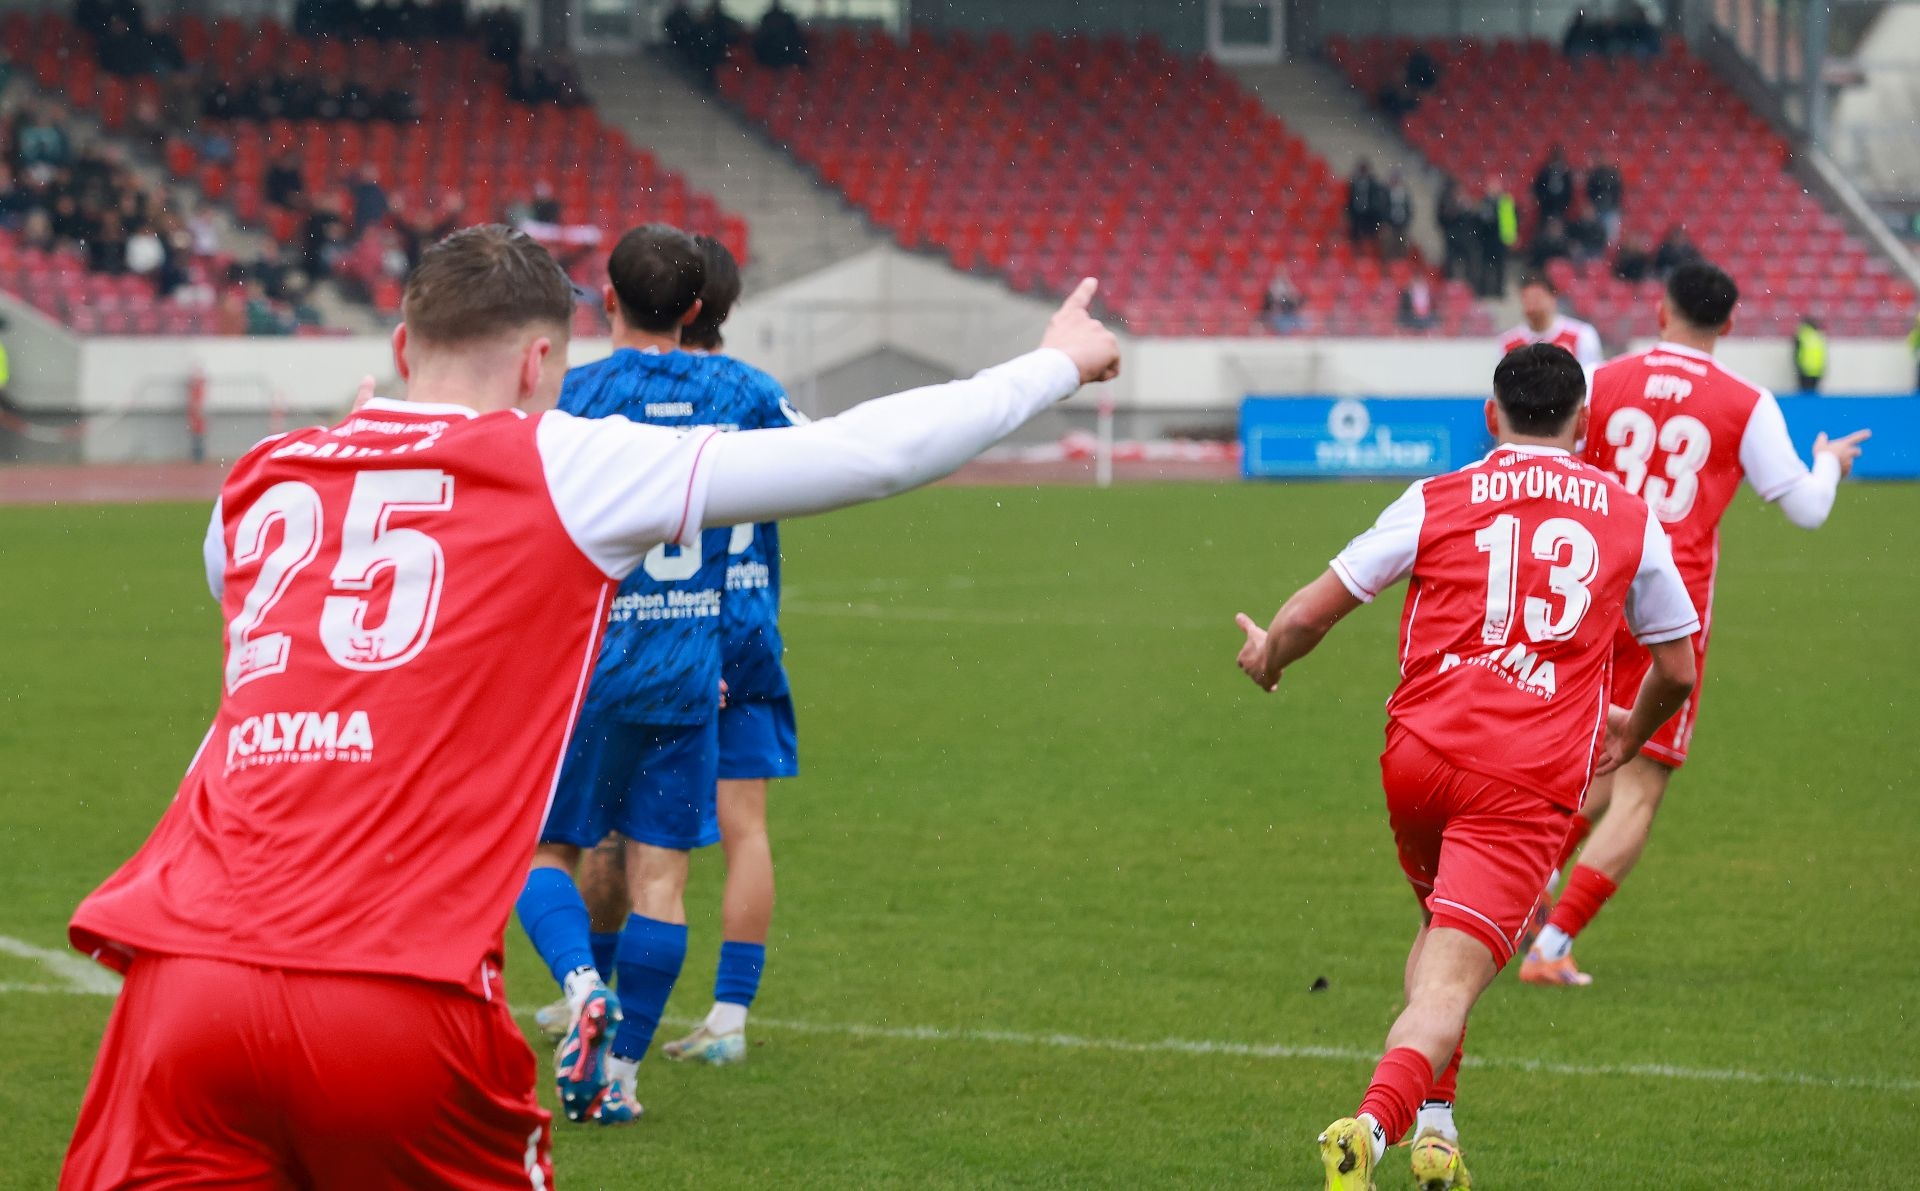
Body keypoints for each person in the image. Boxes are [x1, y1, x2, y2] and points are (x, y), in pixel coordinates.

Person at [59, 223, 1121, 1184]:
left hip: (181, 989)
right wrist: (1052, 364)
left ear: (398, 346)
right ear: (537, 363)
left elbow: (270, 586)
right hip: (390, 991)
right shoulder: (557, 459)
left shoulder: (260, 475)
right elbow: (864, 455)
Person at [1233, 343, 1699, 1188]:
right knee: (1456, 976)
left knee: (1439, 932)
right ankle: (1368, 1131)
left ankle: (1438, 1130)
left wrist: (1270, 652)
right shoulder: (1629, 515)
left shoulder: (1437, 495)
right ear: (1585, 424)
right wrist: (1627, 738)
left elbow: (1316, 607)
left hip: (1415, 760)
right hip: (1521, 780)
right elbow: (1677, 667)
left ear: (1492, 417)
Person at [1522, 262, 1869, 986]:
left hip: (1590, 585)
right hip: (1669, 607)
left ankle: (1521, 889)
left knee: (1592, 758)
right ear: (1730, 324)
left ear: (1659, 310)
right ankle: (1552, 945)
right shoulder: (1744, 401)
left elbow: (1545, 464)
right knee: (1641, 781)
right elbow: (1806, 508)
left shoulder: (1602, 378)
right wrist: (1827, 463)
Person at [514, 224, 741, 1125]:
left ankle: (579, 985)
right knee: (663, 882)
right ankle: (623, 1076)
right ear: (697, 312)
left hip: (589, 667)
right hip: (688, 668)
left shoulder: (571, 395)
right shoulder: (741, 390)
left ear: (603, 300)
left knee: (544, 853)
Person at [1499, 273, 1602, 367]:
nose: (1531, 305)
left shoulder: (1581, 335)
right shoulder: (1508, 342)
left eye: (1537, 298)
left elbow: (1590, 377)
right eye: (1526, 298)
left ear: (1553, 298)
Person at [1344, 160, 1384, 250]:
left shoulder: (1372, 183)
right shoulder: (1355, 182)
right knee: (1355, 235)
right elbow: (1349, 197)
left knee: (1368, 235)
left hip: (1368, 213)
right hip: (1356, 212)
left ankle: (1366, 252)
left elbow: (1376, 198)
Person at [1531, 146, 1575, 225]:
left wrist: (1563, 204)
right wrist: (1543, 201)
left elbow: (1569, 191)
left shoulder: (1565, 174)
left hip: (1561, 208)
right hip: (1546, 208)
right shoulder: (1545, 172)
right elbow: (1538, 187)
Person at [1585, 158, 1624, 244]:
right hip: (1596, 208)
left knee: (1611, 238)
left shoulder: (1614, 176)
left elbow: (1619, 192)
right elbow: (1590, 191)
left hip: (1611, 209)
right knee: (1593, 234)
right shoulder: (1595, 176)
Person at [1792, 315, 1827, 393]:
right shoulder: (1819, 336)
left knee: (1804, 395)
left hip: (1804, 371)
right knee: (1813, 395)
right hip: (1817, 371)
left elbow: (1796, 354)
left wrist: (1798, 367)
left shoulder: (1801, 336)